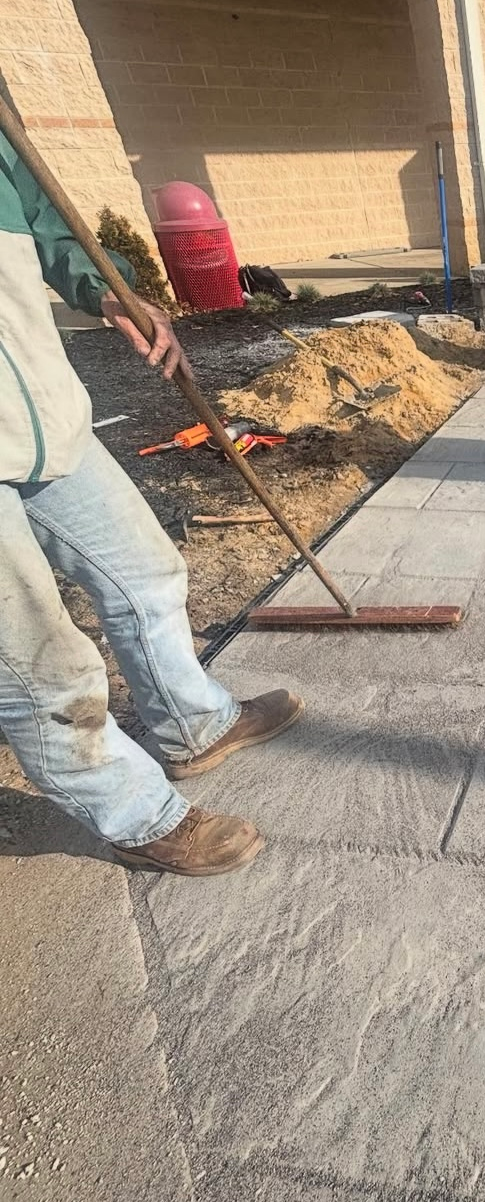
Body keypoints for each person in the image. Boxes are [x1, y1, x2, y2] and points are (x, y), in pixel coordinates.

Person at [1, 135, 301, 877]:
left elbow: (43, 222)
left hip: (42, 411)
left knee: (145, 575)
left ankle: (194, 726)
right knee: (42, 665)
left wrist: (106, 289)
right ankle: (136, 817)